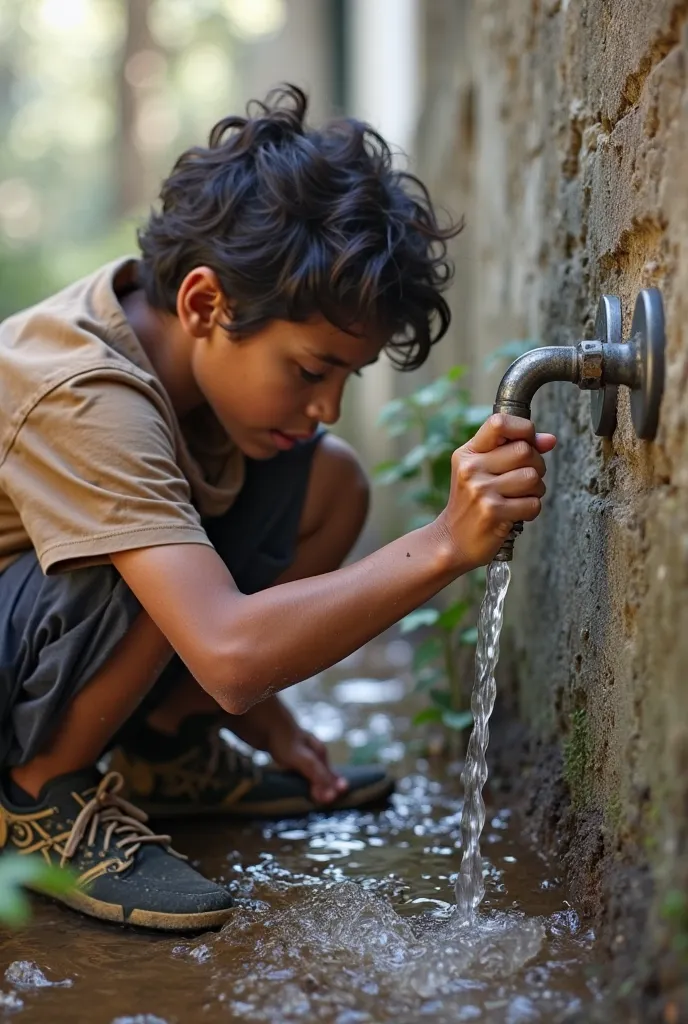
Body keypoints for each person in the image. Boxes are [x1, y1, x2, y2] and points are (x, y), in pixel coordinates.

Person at [0, 85, 554, 932]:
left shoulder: (190, 364)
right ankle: (35, 797)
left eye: (345, 378)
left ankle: (161, 751)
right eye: (309, 370)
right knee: (152, 547)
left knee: (328, 483)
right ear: (202, 304)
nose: (327, 404)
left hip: (34, 638)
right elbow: (226, 650)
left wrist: (271, 722)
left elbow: (238, 643)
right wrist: (442, 544)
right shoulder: (84, 394)